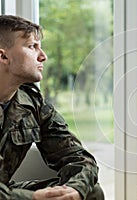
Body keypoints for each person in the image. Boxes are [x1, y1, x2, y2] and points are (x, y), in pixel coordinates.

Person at [0, 15, 105, 200]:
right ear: (3, 56)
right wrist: (31, 198)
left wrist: (74, 190)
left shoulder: (32, 102)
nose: (43, 56)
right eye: (32, 46)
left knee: (91, 191)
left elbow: (79, 159)